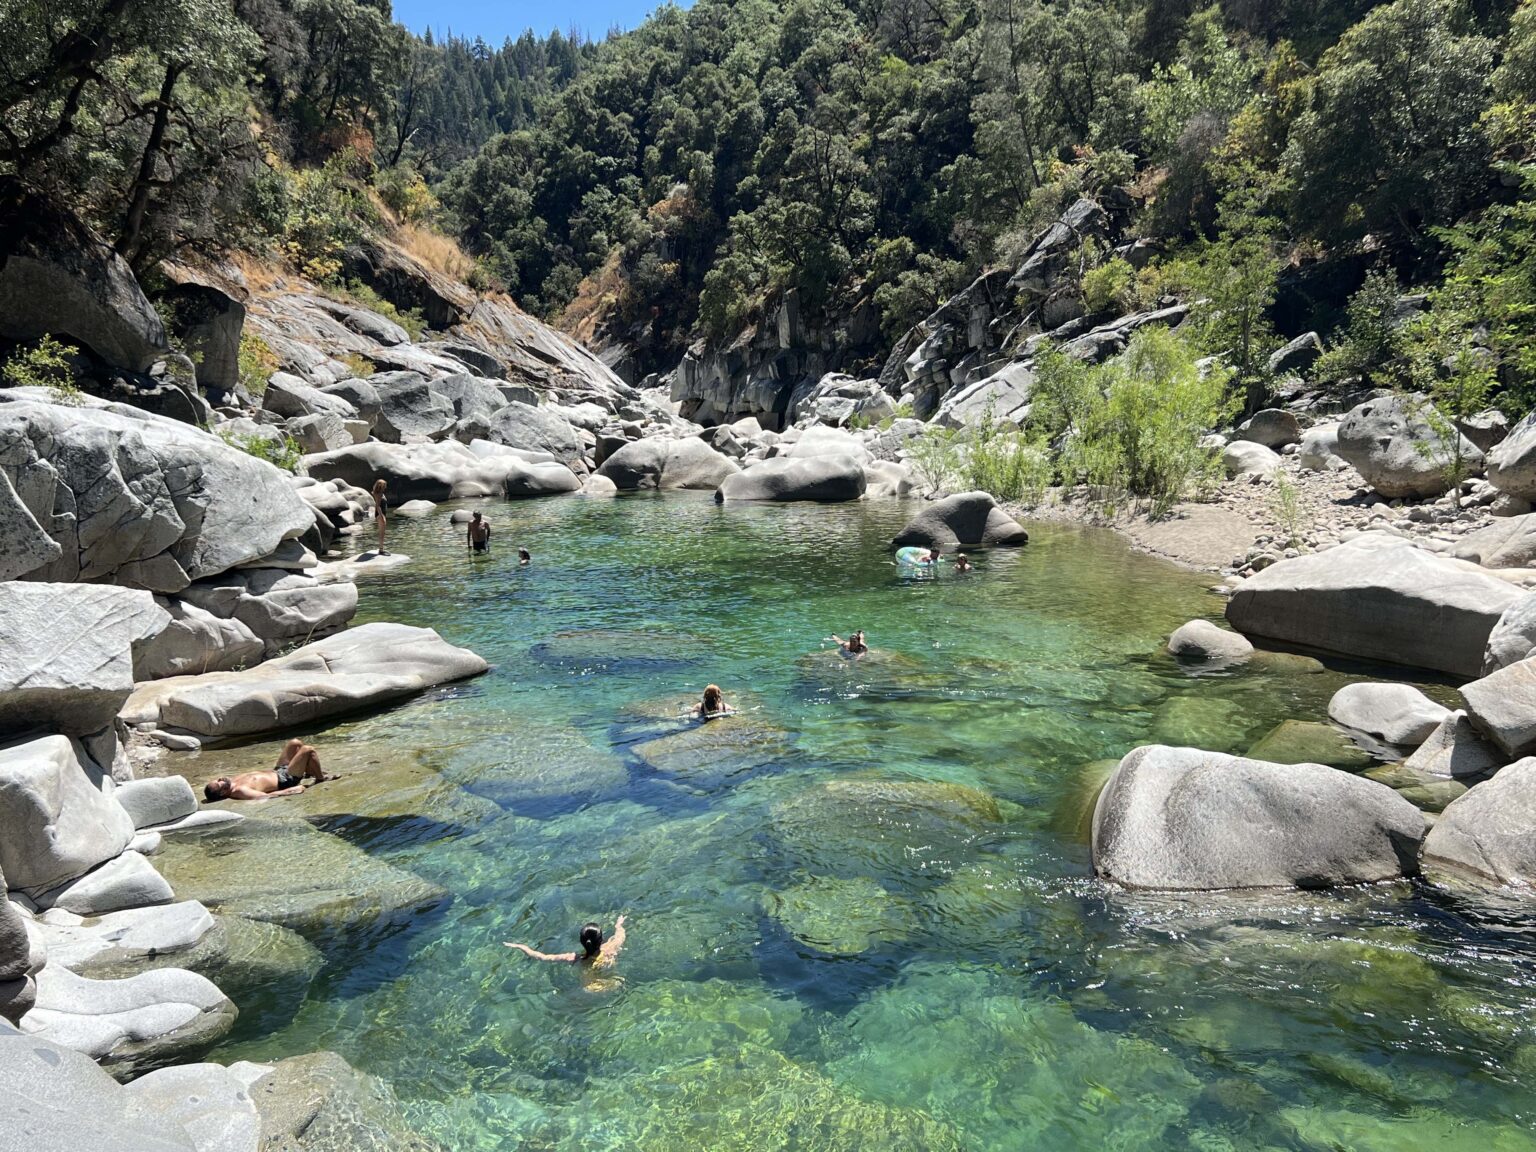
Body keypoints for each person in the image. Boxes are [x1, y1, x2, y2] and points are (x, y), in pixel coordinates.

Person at [204, 739, 333, 801]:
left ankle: (310, 771)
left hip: (278, 771)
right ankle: (320, 778)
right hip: (286, 779)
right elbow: (266, 796)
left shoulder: (232, 782)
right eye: (218, 783)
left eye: (216, 779)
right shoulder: (240, 791)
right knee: (307, 749)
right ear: (222, 793)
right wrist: (291, 791)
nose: (220, 778)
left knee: (295, 743)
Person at [505, 915, 627, 967]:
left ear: (581, 941)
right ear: (601, 940)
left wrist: (520, 946)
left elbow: (542, 957)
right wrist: (618, 924)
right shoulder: (611, 947)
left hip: (589, 986)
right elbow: (620, 934)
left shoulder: (573, 958)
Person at [371, 479, 390, 555]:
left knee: (382, 533)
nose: (385, 487)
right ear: (381, 486)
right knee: (382, 533)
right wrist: (382, 517)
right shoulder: (378, 494)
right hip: (380, 514)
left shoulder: (377, 493)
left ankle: (381, 549)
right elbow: (378, 506)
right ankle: (381, 550)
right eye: (384, 485)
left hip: (381, 514)